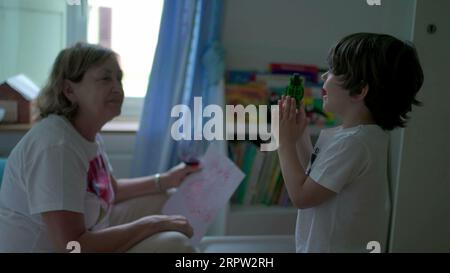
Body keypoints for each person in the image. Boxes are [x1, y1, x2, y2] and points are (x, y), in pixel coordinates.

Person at [0, 42, 201, 253]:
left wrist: (167, 178)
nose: (117, 88)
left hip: (91, 230)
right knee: (175, 244)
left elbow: (112, 191)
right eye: (105, 78)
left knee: (171, 199)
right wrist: (152, 224)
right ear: (69, 90)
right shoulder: (56, 147)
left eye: (119, 78)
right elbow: (72, 247)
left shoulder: (86, 132)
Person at [276, 33, 424, 252]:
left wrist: (284, 142)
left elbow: (302, 196)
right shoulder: (351, 137)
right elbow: (315, 177)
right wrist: (299, 137)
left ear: (359, 90)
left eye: (334, 70)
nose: (325, 74)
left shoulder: (353, 143)